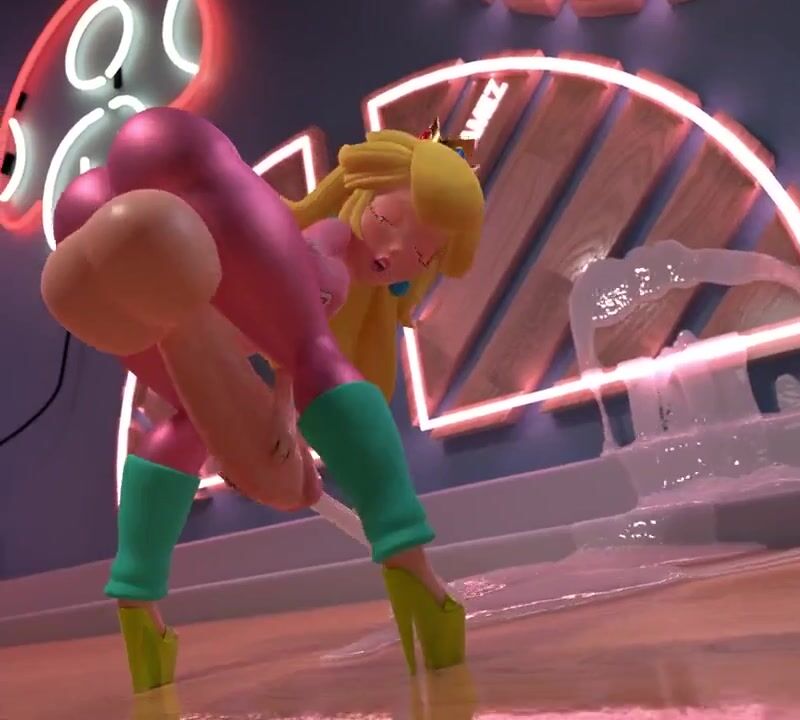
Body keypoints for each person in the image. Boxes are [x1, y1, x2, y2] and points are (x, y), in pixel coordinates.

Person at [41, 108, 485, 692]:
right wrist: (277, 421)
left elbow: (271, 360)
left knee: (191, 420)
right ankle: (423, 587)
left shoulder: (326, 292)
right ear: (360, 195)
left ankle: (139, 610)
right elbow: (293, 355)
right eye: (388, 218)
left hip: (160, 272)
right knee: (312, 355)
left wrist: (260, 432)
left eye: (423, 255)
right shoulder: (325, 250)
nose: (396, 249)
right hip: (195, 214)